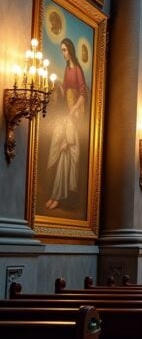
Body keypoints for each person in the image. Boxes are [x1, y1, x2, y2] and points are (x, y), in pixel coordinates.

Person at [44, 38, 88, 211]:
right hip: (68, 107)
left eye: (65, 50)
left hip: (75, 110)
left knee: (65, 153)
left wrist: (73, 109)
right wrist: (56, 84)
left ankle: (57, 197)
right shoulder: (66, 68)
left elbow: (83, 93)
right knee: (58, 142)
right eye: (61, 50)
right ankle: (55, 195)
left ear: (70, 49)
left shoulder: (77, 69)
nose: (63, 53)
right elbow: (65, 88)